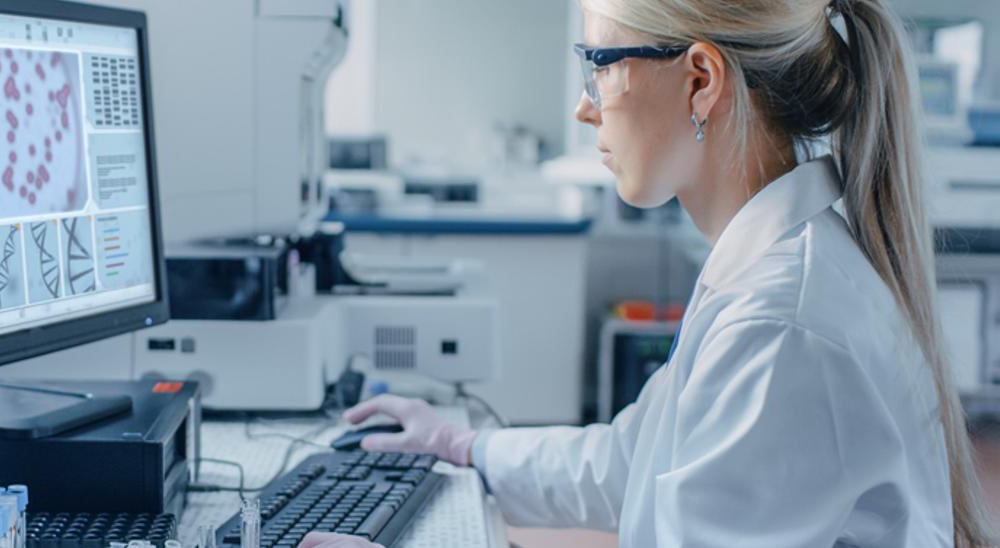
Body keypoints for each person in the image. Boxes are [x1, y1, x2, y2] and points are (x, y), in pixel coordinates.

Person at [299, 0, 995, 546]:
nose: (585, 105)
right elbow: (638, 462)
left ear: (700, 81)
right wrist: (463, 446)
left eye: (599, 64)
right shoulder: (767, 269)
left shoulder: (784, 327)